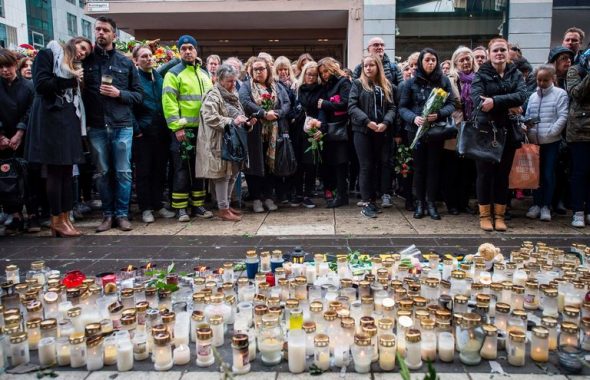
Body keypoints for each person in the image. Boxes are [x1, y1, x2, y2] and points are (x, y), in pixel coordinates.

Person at [25, 37, 92, 237]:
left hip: (67, 119)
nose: (82, 53)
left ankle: (64, 217)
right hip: (50, 120)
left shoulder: (72, 68)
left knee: (66, 172)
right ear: (73, 43)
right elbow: (41, 85)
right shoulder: (48, 54)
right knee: (55, 171)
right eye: (81, 48)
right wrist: (71, 81)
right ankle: (57, 219)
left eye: (86, 53)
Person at [82, 17, 142, 232]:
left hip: (121, 124)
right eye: (97, 29)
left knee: (124, 172)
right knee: (103, 172)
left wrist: (119, 94)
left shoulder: (125, 62)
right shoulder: (86, 61)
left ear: (114, 35)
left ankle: (122, 215)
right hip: (97, 124)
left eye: (105, 30)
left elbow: (138, 95)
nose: (100, 33)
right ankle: (107, 215)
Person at [471, 37, 527, 232]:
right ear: (489, 53)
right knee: (484, 175)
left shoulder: (516, 74)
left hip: (508, 132)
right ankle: (485, 215)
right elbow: (478, 101)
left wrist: (494, 101)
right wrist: (509, 106)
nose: (499, 53)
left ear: (508, 52)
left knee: (503, 175)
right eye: (495, 50)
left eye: (502, 50)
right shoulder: (481, 74)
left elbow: (521, 97)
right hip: (486, 132)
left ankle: (500, 216)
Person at [399, 48, 455, 220]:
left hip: (436, 131)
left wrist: (438, 114)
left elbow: (452, 103)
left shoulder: (444, 81)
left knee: (433, 167)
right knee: (419, 168)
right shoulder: (411, 82)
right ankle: (419, 203)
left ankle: (431, 203)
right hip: (415, 131)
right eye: (427, 60)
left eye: (433, 60)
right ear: (421, 62)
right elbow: (402, 107)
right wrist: (414, 118)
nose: (430, 63)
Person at [162, 34, 214, 222]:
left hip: (203, 130)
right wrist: (177, 127)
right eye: (183, 48)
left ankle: (198, 205)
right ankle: (181, 208)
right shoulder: (173, 73)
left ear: (196, 50)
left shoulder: (204, 73)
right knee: (182, 169)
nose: (187, 51)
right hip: (183, 130)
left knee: (199, 169)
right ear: (179, 51)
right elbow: (169, 102)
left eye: (190, 48)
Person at [196, 64, 253, 221]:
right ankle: (223, 209)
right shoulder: (213, 95)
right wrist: (232, 121)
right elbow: (210, 117)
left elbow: (239, 115)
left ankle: (226, 206)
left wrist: (247, 123)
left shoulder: (230, 93)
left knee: (232, 173)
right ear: (219, 80)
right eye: (229, 81)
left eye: (234, 81)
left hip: (230, 142)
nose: (233, 84)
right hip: (218, 141)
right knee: (222, 175)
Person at [238, 57, 290, 213]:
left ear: (268, 70)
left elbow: (287, 103)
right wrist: (263, 113)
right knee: (254, 166)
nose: (258, 72)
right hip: (254, 133)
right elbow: (245, 101)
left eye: (261, 69)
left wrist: (278, 113)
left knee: (270, 165)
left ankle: (268, 196)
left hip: (274, 133)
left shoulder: (277, 86)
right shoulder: (247, 86)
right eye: (255, 69)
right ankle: (256, 199)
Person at [131, 45, 176, 224]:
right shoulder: (134, 79)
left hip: (161, 131)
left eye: (150, 56)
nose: (148, 59)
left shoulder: (158, 77)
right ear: (136, 60)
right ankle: (146, 208)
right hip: (143, 133)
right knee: (144, 171)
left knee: (159, 170)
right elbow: (130, 107)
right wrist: (137, 129)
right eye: (144, 56)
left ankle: (157, 204)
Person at [348, 55, 396, 218]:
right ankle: (367, 202)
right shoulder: (357, 84)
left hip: (381, 131)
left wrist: (386, 122)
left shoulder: (386, 85)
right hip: (362, 131)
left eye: (371, 65)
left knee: (377, 165)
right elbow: (352, 107)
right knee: (365, 166)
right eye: (365, 66)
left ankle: (374, 200)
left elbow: (392, 107)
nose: (368, 68)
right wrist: (367, 122)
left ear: (378, 67)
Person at [524, 65, 568, 222]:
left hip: (551, 142)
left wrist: (551, 133)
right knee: (535, 175)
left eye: (545, 80)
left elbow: (562, 116)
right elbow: (528, 115)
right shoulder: (533, 97)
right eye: (539, 80)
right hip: (534, 141)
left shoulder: (560, 94)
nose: (541, 83)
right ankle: (536, 203)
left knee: (548, 174)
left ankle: (546, 206)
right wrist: (528, 129)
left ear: (553, 79)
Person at [0, 49, 34, 233]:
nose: (5, 70)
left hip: (24, 136)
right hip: (3, 138)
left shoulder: (28, 86)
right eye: (1, 67)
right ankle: (13, 214)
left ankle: (32, 212)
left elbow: (30, 110)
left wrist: (19, 132)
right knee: (6, 178)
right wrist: (2, 136)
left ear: (15, 65)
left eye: (8, 66)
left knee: (26, 175)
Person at [445, 46, 478, 215]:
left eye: (468, 59)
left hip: (473, 127)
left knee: (468, 168)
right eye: (462, 60)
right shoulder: (450, 79)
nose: (465, 62)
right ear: (455, 62)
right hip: (456, 127)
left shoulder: (478, 78)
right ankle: (452, 203)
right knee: (453, 167)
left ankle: (464, 202)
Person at [317, 57, 351, 208]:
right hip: (331, 129)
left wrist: (326, 104)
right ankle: (339, 194)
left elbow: (346, 103)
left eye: (326, 71)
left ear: (332, 68)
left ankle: (342, 196)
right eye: (321, 72)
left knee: (341, 163)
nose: (324, 74)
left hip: (342, 128)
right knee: (334, 163)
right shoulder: (327, 85)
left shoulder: (343, 82)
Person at [565, 47, 590, 227]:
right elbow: (576, 94)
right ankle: (578, 211)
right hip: (580, 130)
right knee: (580, 172)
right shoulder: (576, 69)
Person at [293, 61, 323, 209]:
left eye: (314, 75)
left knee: (310, 163)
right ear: (304, 74)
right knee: (298, 163)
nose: (311, 77)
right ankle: (298, 193)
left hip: (312, 128)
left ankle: (308, 194)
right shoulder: (297, 89)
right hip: (297, 128)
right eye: (308, 74)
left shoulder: (321, 90)